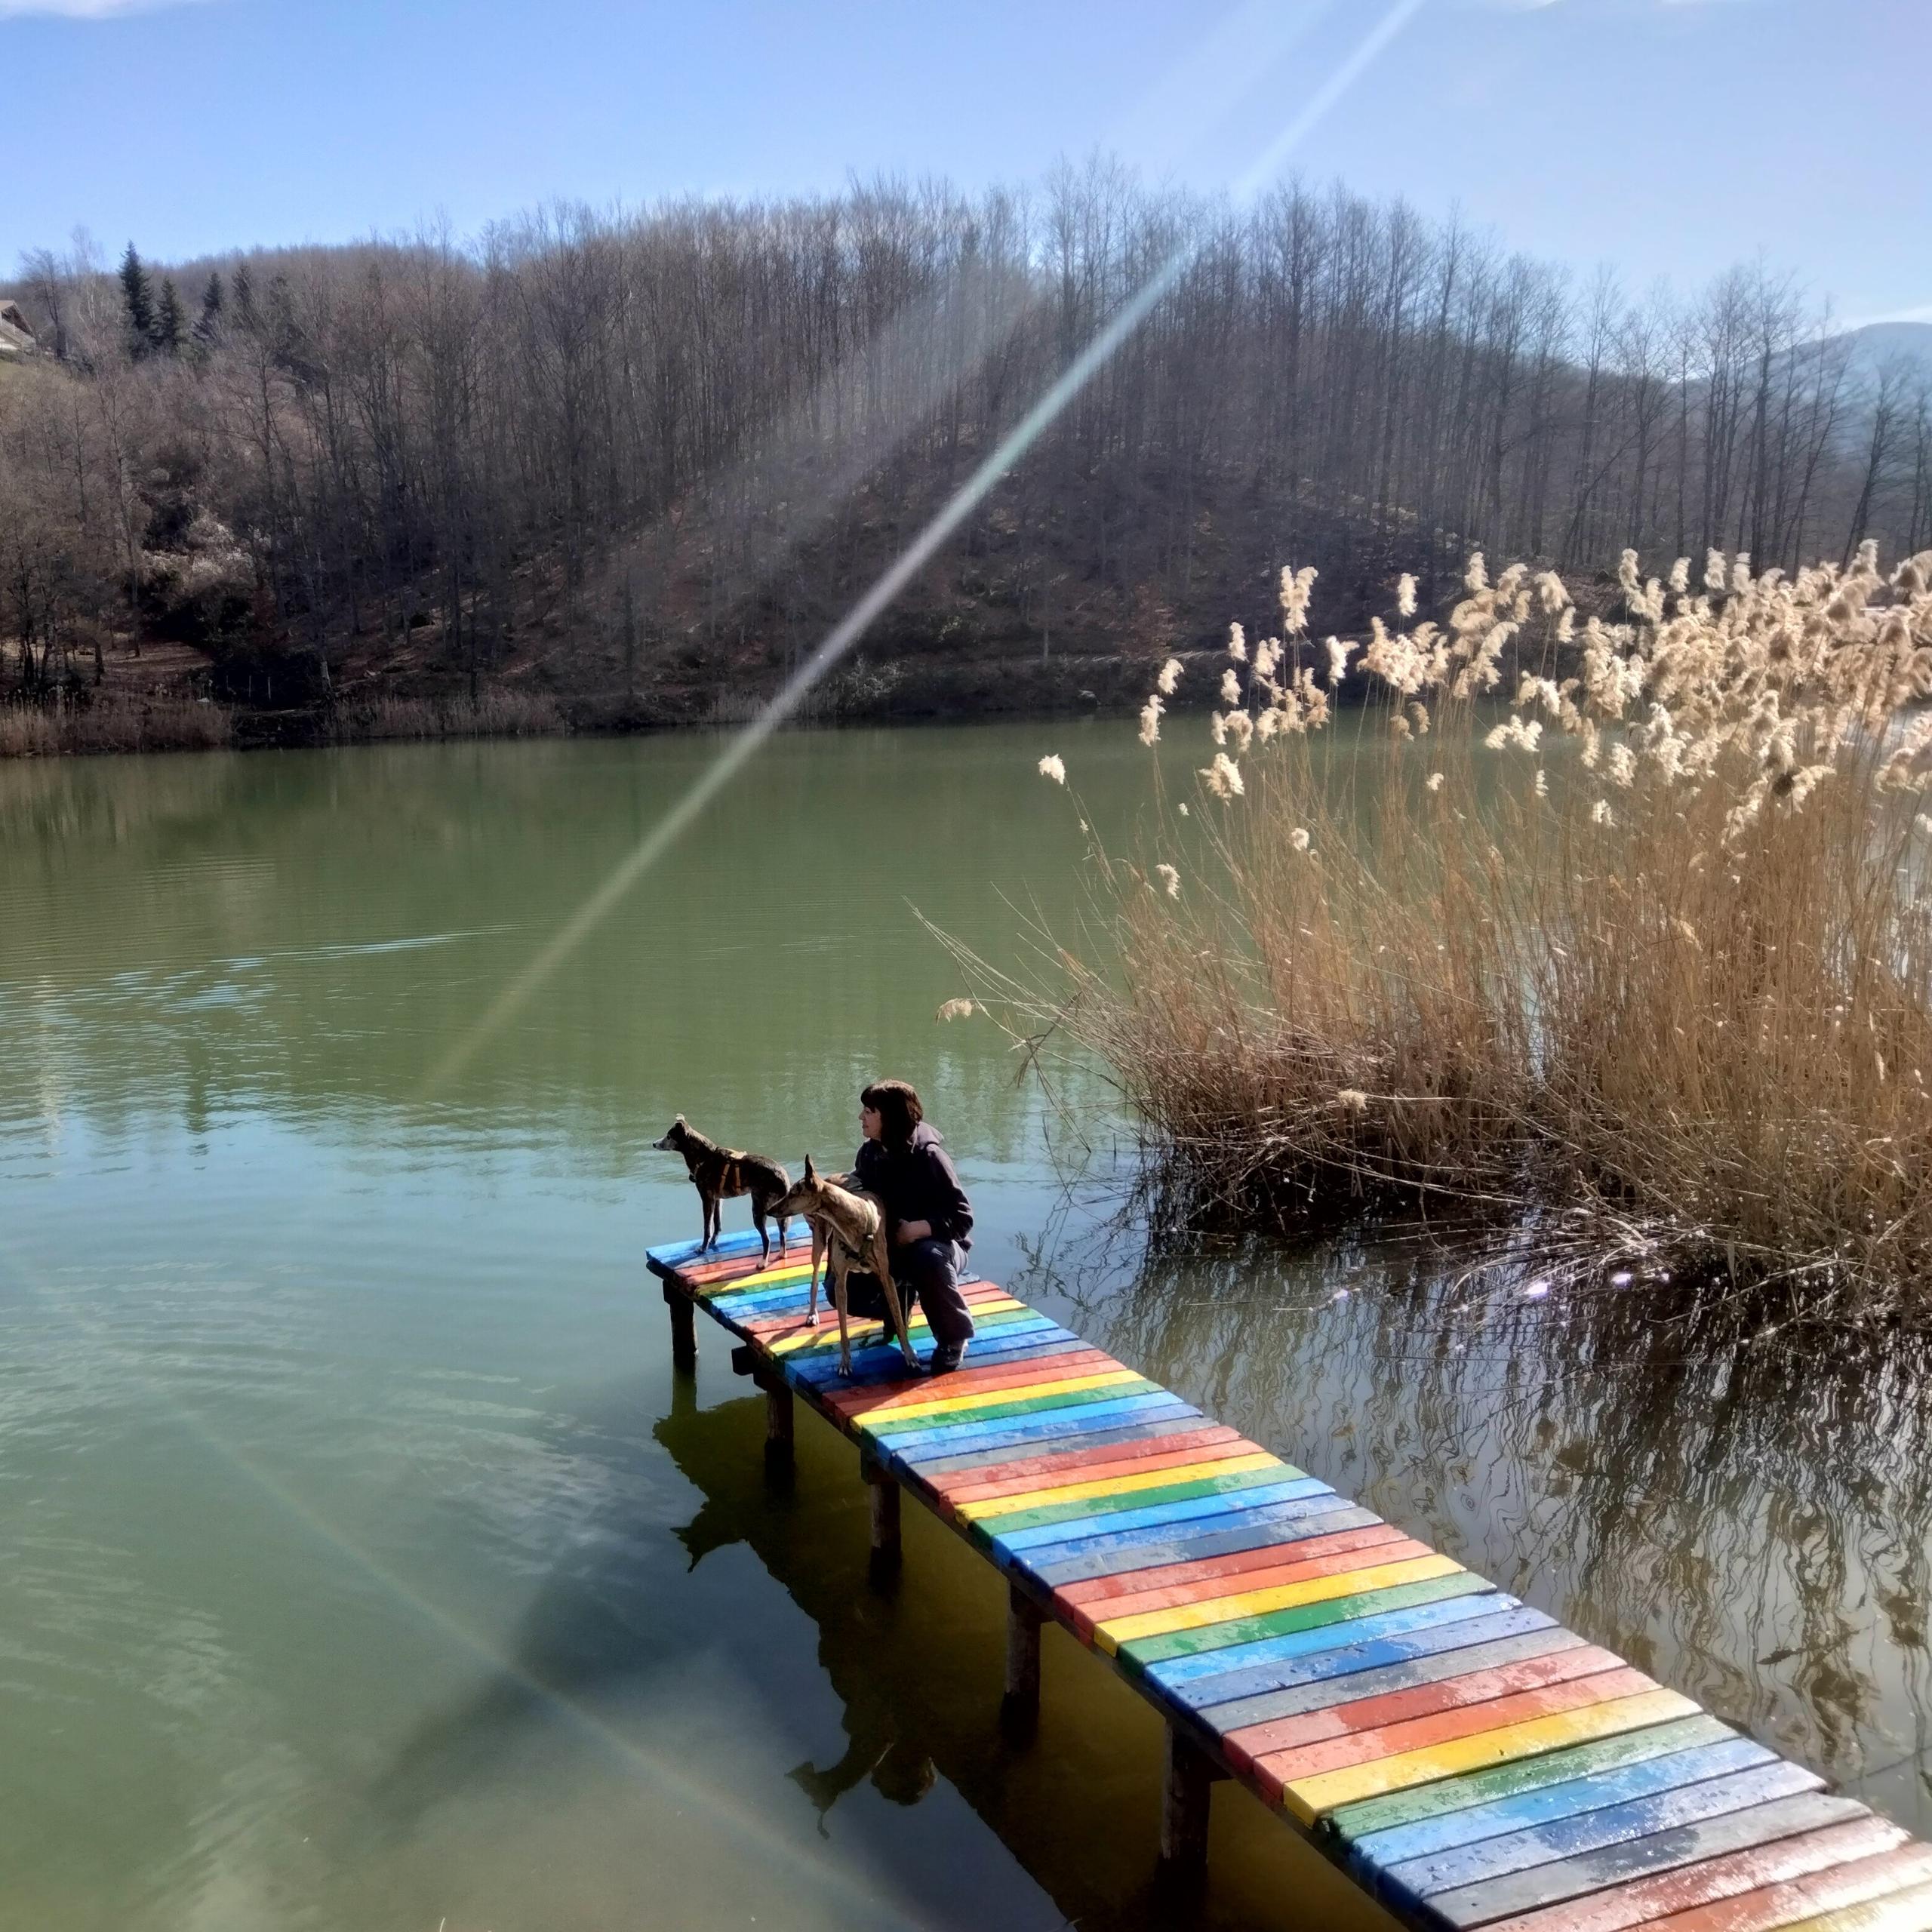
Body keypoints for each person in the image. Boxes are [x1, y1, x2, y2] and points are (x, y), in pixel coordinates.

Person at [844, 1078, 976, 1374]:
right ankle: (898, 1307)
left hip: (943, 1247)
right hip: (890, 1246)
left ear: (888, 1116)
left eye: (868, 1111)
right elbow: (859, 1192)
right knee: (841, 1287)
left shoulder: (931, 1157)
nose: (861, 1117)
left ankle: (953, 1339)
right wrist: (826, 1205)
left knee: (927, 1256)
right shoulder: (870, 1153)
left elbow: (963, 1218)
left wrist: (918, 1229)